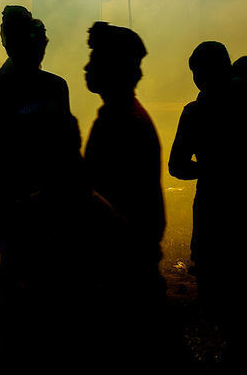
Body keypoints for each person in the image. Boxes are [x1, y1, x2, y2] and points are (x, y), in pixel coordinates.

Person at [169, 46, 247, 327]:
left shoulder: (194, 113)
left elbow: (176, 166)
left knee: (213, 297)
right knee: (245, 287)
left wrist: (213, 169)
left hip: (211, 213)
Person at [0, 5, 74, 289]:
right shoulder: (53, 86)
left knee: (19, 260)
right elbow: (66, 143)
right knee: (41, 262)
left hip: (19, 185)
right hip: (39, 184)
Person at [83, 22, 165, 299]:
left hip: (124, 263)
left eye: (94, 59)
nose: (87, 67)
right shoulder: (120, 116)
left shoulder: (121, 122)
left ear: (113, 67)